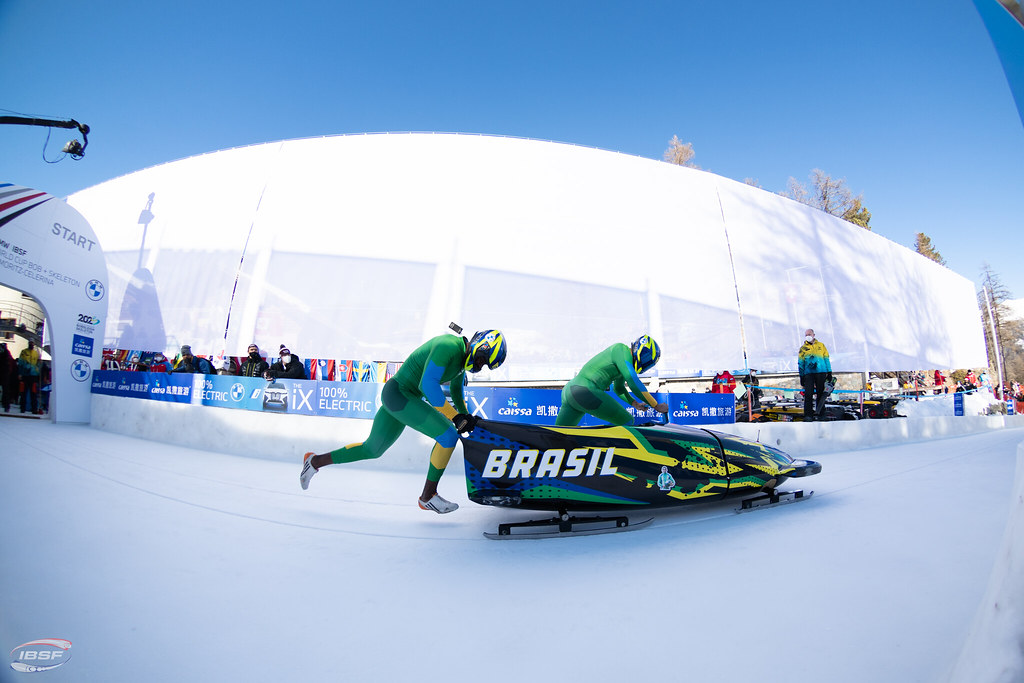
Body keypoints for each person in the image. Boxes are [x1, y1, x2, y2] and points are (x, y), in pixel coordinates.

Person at [299, 329, 508, 514]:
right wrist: (455, 417)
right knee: (447, 436)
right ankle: (428, 497)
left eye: (484, 366)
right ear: (481, 345)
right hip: (399, 394)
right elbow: (428, 385)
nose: (479, 366)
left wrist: (466, 416)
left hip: (400, 396)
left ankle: (314, 461)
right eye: (482, 359)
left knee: (372, 449)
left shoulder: (461, 362)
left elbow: (456, 390)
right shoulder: (448, 346)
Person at [554, 334, 668, 427]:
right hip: (583, 390)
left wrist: (635, 404)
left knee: (558, 438)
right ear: (640, 349)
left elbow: (619, 389)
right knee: (626, 420)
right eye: (646, 358)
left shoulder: (624, 364)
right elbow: (633, 381)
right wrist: (655, 405)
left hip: (571, 392)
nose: (645, 364)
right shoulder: (621, 349)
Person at [798, 328, 832, 421]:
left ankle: (821, 413)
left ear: (813, 335)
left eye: (809, 334)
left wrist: (829, 372)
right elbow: (801, 363)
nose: (807, 336)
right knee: (808, 394)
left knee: (821, 394)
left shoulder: (821, 345)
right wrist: (801, 375)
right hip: (809, 374)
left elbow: (826, 359)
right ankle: (808, 415)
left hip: (821, 372)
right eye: (806, 335)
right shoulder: (803, 349)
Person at [18, 340, 41, 414]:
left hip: (33, 376)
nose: (31, 344)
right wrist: (20, 373)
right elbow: (20, 363)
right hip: (25, 375)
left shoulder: (36, 353)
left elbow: (38, 363)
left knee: (33, 393)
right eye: (30, 343)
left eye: (32, 343)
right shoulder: (24, 352)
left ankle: (34, 409)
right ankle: (22, 408)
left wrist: (37, 371)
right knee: (23, 392)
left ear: (34, 344)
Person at [0, 343, 17, 413]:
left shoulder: (6, 354)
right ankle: (6, 405)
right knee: (6, 390)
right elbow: (12, 364)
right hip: (5, 374)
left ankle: (6, 405)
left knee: (6, 390)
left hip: (4, 373)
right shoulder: (7, 354)